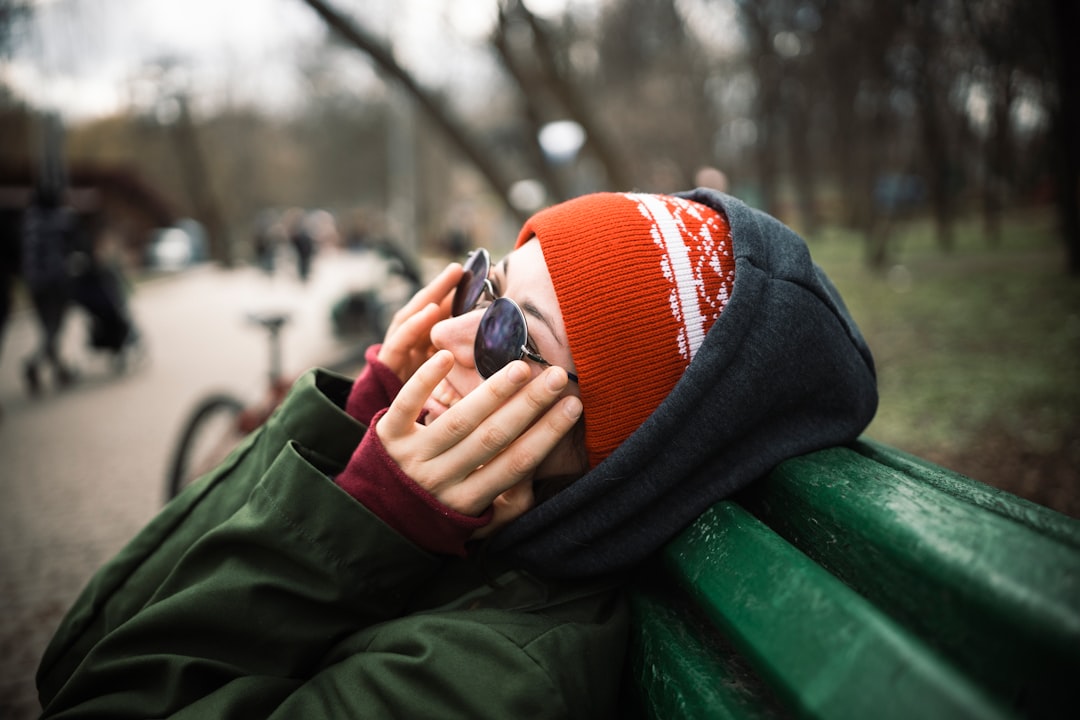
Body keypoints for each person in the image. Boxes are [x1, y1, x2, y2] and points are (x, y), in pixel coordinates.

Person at [36, 188, 878, 718]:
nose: (444, 329)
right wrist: (354, 426)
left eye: (510, 334)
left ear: (625, 459)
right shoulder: (472, 536)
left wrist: (362, 523)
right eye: (486, 286)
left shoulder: (491, 680)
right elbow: (76, 654)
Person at [20, 184, 79, 395]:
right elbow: (75, 245)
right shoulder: (60, 221)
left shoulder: (29, 221)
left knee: (48, 328)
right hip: (55, 282)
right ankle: (33, 364)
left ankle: (60, 371)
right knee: (54, 330)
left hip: (35, 284)